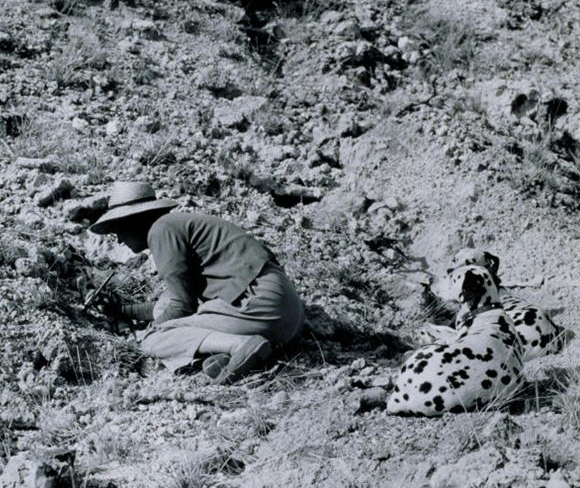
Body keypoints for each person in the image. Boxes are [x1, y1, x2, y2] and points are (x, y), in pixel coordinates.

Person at [89, 181, 304, 383]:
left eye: (117, 231)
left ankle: (240, 345)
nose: (119, 240)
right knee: (166, 305)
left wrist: (148, 332)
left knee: (153, 340)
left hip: (259, 306)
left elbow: (182, 307)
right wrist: (122, 311)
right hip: (287, 314)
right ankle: (223, 355)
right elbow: (171, 303)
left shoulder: (160, 230)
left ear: (132, 220)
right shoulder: (180, 225)